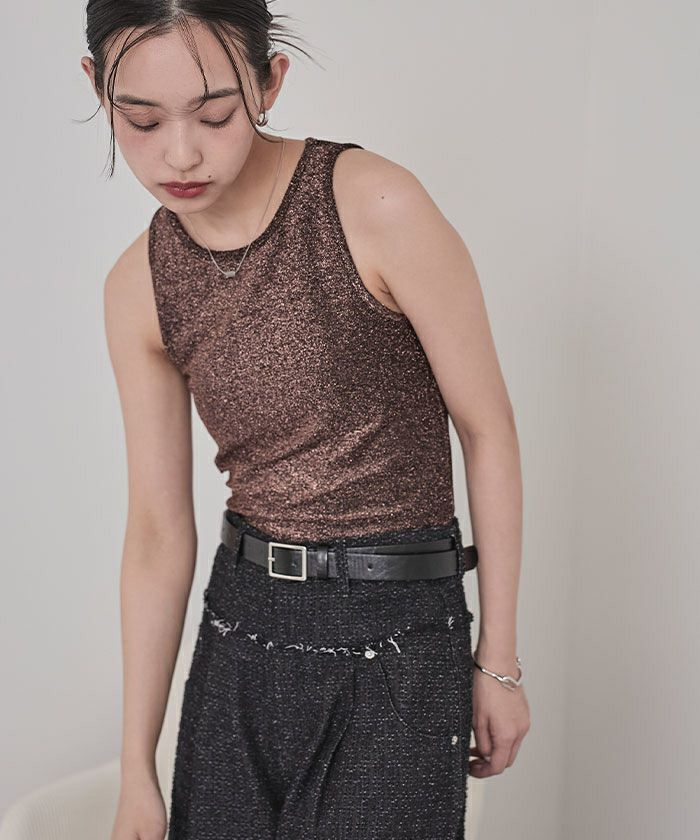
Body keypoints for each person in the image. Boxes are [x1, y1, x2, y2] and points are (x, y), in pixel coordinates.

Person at [80, 2, 530, 838]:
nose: (180, 153)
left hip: (399, 639)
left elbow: (487, 431)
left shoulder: (375, 204)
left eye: (215, 115)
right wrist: (137, 764)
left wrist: (497, 661)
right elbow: (155, 531)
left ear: (268, 82)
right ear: (98, 91)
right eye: (141, 120)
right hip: (239, 634)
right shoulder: (137, 286)